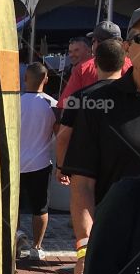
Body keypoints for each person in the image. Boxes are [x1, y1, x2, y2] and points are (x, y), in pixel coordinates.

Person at [64, 4, 140, 274]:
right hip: (118, 253)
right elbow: (83, 185)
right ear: (127, 47)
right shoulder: (98, 105)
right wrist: (85, 249)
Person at [54, 36, 126, 185]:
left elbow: (63, 137)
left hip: (87, 172)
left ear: (94, 63)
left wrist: (61, 167)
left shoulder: (77, 98)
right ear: (123, 63)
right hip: (127, 173)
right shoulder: (138, 98)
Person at [17, 62, 57, 260]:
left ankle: (13, 240)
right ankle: (36, 247)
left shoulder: (15, 102)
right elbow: (59, 134)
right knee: (40, 208)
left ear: (25, 79)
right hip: (40, 163)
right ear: (47, 80)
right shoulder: (53, 104)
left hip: (15, 165)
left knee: (12, 206)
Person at [58, 36, 94, 108]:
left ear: (89, 51)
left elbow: (65, 105)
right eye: (70, 52)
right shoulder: (69, 71)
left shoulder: (96, 68)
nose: (72, 55)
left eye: (76, 50)